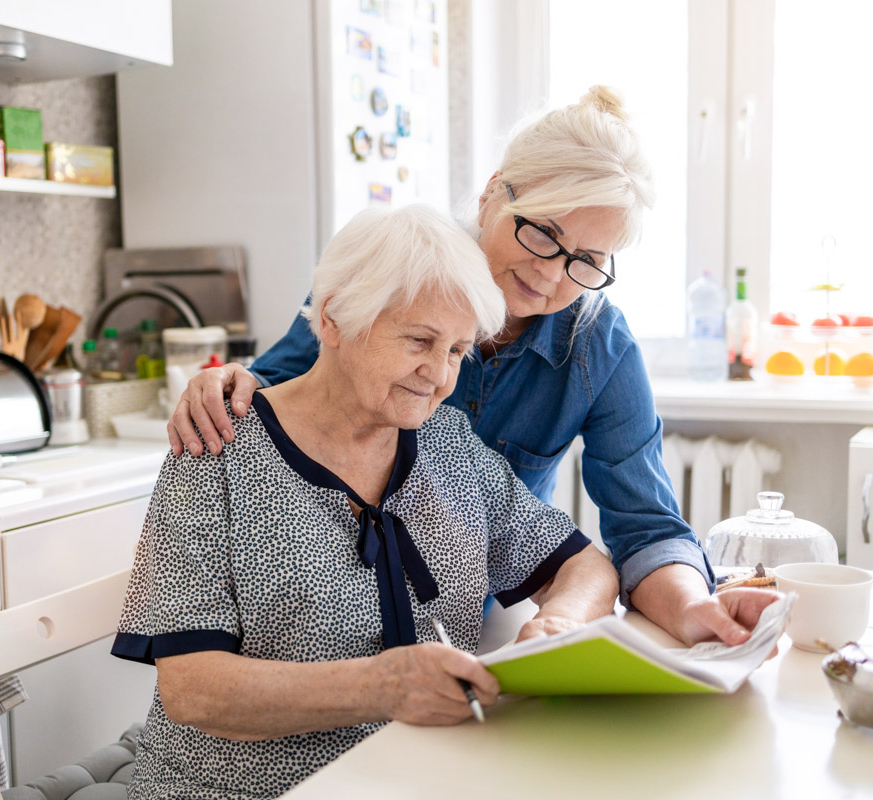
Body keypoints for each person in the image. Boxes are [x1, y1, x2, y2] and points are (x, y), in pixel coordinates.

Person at [166, 86, 779, 649]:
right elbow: (278, 393)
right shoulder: (396, 272)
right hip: (331, 619)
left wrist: (696, 607)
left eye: (587, 259)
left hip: (476, 618)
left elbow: (645, 528)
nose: (550, 274)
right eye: (543, 232)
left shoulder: (599, 346)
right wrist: (225, 382)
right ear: (493, 194)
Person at [112, 205, 619, 799]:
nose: (438, 375)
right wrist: (379, 687)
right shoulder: (218, 447)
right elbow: (193, 689)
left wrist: (558, 622)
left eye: (457, 351)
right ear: (333, 320)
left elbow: (586, 566)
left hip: (417, 781)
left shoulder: (448, 446)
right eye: (419, 340)